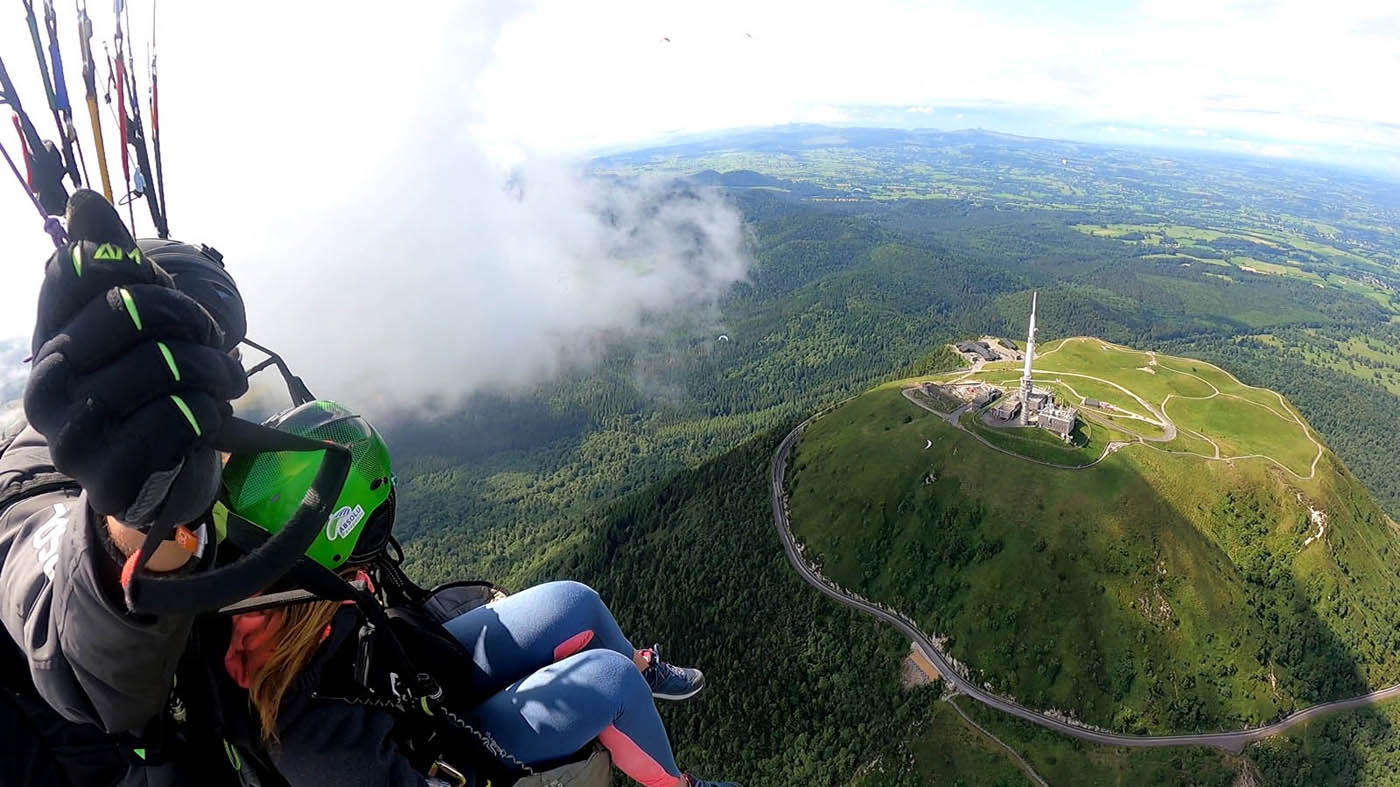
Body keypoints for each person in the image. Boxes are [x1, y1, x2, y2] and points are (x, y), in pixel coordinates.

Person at [0, 190, 740, 787]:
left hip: (373, 654)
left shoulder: (191, 437)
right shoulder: (42, 477)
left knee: (576, 600)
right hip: (369, 722)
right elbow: (77, 644)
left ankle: (636, 678)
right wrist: (140, 516)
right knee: (605, 679)